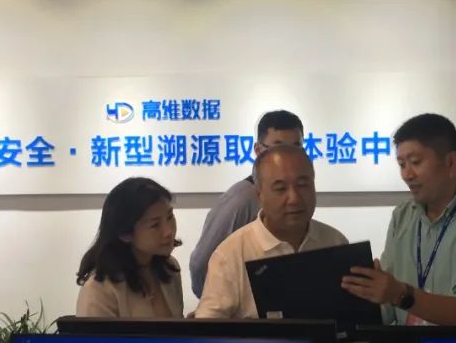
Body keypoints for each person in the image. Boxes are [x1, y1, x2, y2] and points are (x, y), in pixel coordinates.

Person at [342, 113, 456, 326]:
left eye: (415, 162)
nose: (407, 174)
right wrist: (369, 295)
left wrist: (399, 294)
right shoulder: (403, 216)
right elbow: (387, 308)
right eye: (402, 164)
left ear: (451, 163)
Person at [195, 145, 347, 319]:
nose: (294, 198)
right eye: (281, 189)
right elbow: (208, 328)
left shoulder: (335, 242)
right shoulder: (230, 255)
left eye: (303, 185)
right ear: (259, 195)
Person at [188, 110, 304, 298]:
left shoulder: (304, 199)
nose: (287, 158)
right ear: (258, 150)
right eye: (278, 148)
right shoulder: (242, 199)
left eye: (295, 148)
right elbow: (201, 267)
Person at [76, 177, 184, 318]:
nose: (168, 231)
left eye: (170, 217)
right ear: (125, 234)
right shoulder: (99, 290)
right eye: (155, 225)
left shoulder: (169, 268)